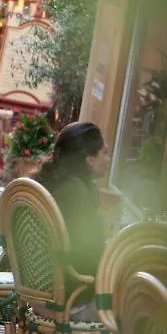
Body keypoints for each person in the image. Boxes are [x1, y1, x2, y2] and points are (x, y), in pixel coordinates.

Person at [33, 122, 110, 321]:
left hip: (35, 289)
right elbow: (88, 255)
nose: (108, 160)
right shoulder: (78, 194)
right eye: (105, 153)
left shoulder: (43, 185)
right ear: (90, 160)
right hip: (70, 298)